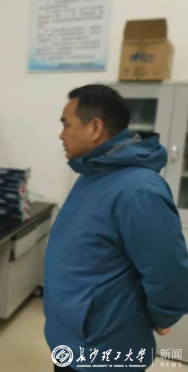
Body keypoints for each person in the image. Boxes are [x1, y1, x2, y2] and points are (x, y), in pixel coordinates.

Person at [44, 85, 188, 371]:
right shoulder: (94, 174)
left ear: (95, 128)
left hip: (102, 351)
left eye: (66, 125)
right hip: (72, 341)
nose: (61, 135)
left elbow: (169, 273)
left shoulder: (138, 191)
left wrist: (161, 315)